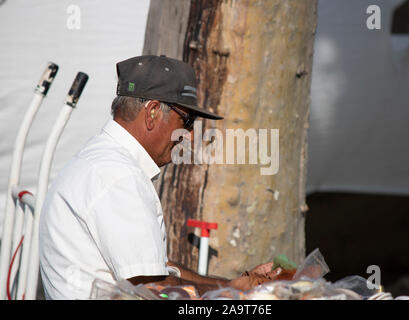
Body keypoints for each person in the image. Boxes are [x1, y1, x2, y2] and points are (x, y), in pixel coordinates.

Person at [39, 55, 280, 299]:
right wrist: (235, 291)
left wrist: (233, 284)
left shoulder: (102, 160)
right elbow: (153, 289)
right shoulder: (119, 176)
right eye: (187, 121)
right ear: (152, 112)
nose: (190, 136)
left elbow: (154, 271)